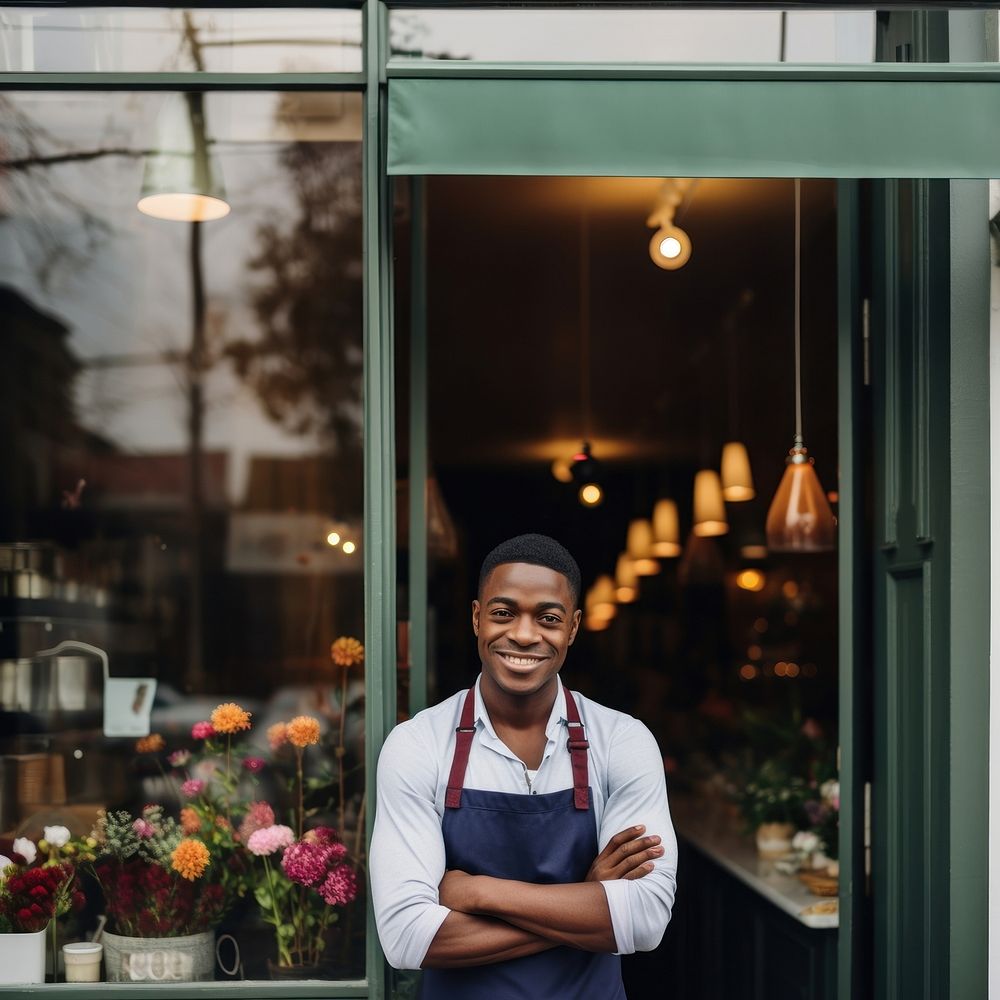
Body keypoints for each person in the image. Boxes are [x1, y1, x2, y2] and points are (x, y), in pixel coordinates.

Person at [370, 533, 677, 998]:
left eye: (548, 618)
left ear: (572, 629)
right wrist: (586, 901)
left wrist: (476, 893)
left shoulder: (622, 741)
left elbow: (645, 922)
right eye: (504, 612)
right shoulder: (419, 745)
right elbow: (407, 936)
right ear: (477, 618)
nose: (525, 634)